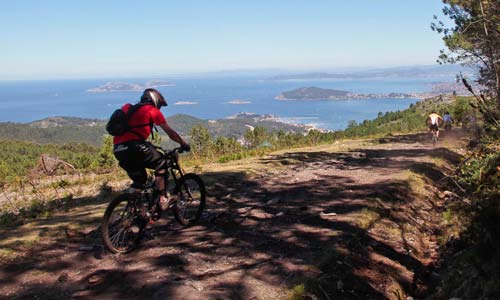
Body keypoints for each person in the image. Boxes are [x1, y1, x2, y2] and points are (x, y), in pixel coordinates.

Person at [113, 88, 190, 210]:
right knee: (162, 163)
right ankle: (162, 198)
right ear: (155, 101)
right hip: (135, 147)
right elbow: (171, 133)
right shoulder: (152, 110)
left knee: (140, 181)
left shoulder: (127, 108)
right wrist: (183, 143)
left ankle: (133, 211)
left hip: (118, 149)